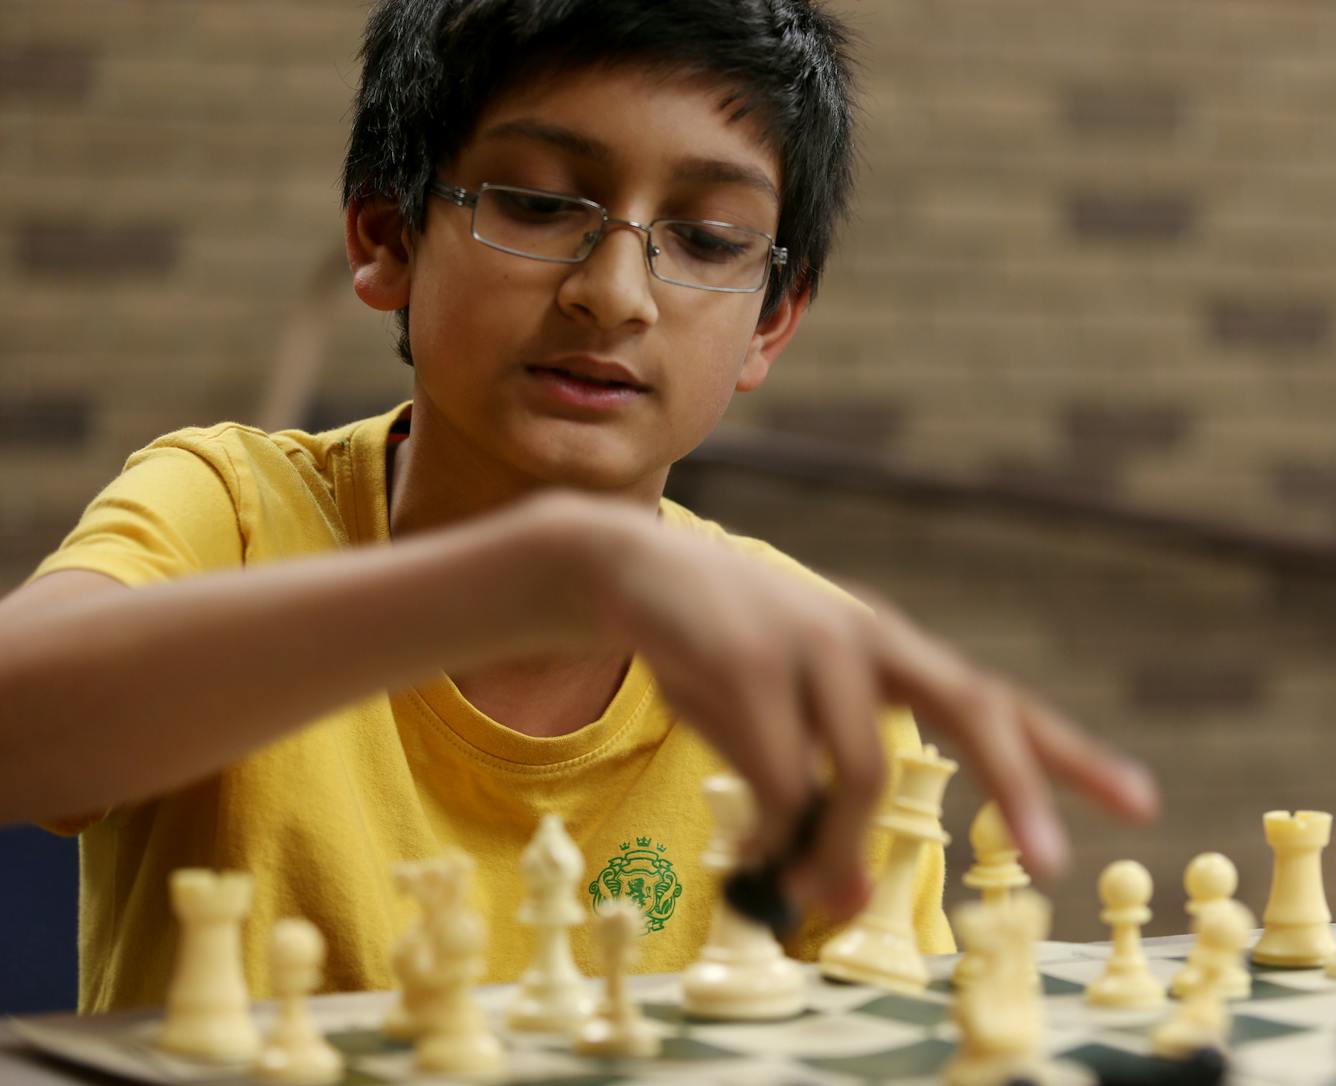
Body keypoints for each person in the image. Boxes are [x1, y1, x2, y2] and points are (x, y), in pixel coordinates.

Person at [0, 0, 1157, 1012]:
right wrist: (523, 580)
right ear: (387, 237)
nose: (614, 295)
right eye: (541, 203)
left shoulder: (802, 662)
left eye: (705, 238)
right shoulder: (231, 510)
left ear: (769, 321)